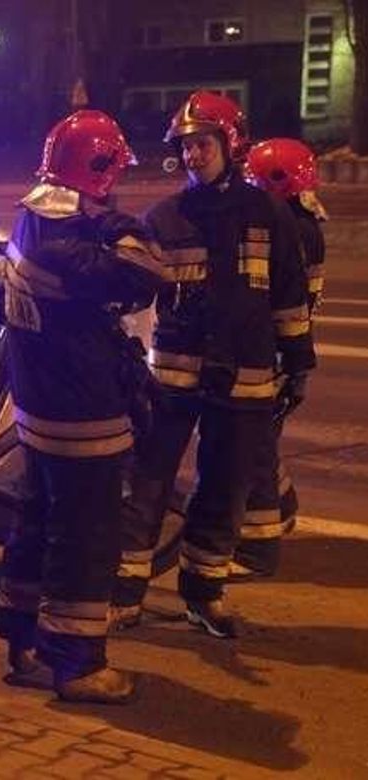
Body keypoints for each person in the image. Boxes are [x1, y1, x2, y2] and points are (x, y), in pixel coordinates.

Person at [111, 92, 316, 637]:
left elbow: (289, 299)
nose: (194, 155)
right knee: (146, 485)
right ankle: (123, 594)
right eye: (187, 146)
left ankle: (204, 594)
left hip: (246, 378)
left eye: (203, 144)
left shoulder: (268, 216)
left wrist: (297, 364)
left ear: (231, 144)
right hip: (173, 378)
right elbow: (134, 298)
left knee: (223, 491)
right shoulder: (165, 218)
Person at [0, 109, 169, 704]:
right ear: (97, 170)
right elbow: (142, 276)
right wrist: (119, 224)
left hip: (41, 412)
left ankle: (23, 639)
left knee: (37, 522)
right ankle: (79, 664)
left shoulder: (31, 222)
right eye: (112, 173)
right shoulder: (70, 242)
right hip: (82, 414)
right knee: (87, 537)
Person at [232, 138, 327, 577]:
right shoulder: (308, 221)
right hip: (287, 347)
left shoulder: (287, 227)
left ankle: (257, 547)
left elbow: (274, 297)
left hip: (269, 350)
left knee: (254, 448)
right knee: (264, 439)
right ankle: (284, 504)